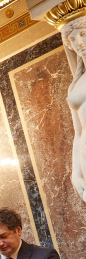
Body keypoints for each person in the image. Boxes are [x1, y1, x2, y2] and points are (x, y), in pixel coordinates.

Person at [61, 17, 86, 203]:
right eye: (72, 38)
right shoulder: (75, 85)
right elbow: (78, 133)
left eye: (83, 34)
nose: (79, 42)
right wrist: (76, 173)